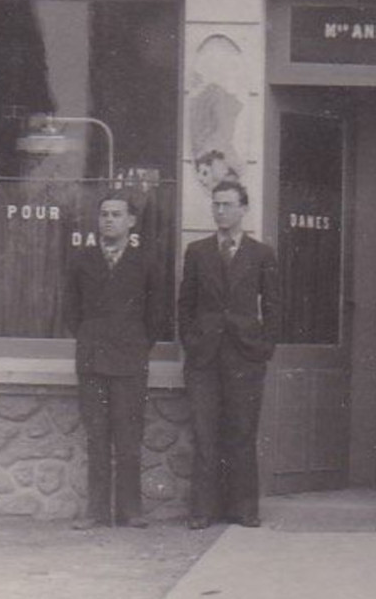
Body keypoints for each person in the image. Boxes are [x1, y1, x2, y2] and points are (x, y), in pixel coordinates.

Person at [178, 180, 281, 530]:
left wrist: (263, 348)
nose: (220, 211)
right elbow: (185, 306)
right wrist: (192, 342)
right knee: (205, 434)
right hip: (204, 357)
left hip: (244, 356)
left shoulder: (261, 254)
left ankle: (244, 508)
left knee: (241, 432)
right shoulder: (197, 252)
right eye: (216, 205)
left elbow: (274, 307)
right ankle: (202, 510)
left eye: (227, 205)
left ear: (243, 209)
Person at [64, 193, 166, 530]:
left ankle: (130, 510)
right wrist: (92, 339)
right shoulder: (82, 260)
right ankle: (96, 511)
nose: (109, 220)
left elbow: (156, 317)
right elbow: (71, 313)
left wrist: (134, 345)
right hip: (93, 360)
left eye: (117, 214)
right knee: (97, 436)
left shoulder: (146, 261)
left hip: (130, 360)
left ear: (131, 221)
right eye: (104, 214)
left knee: (128, 437)